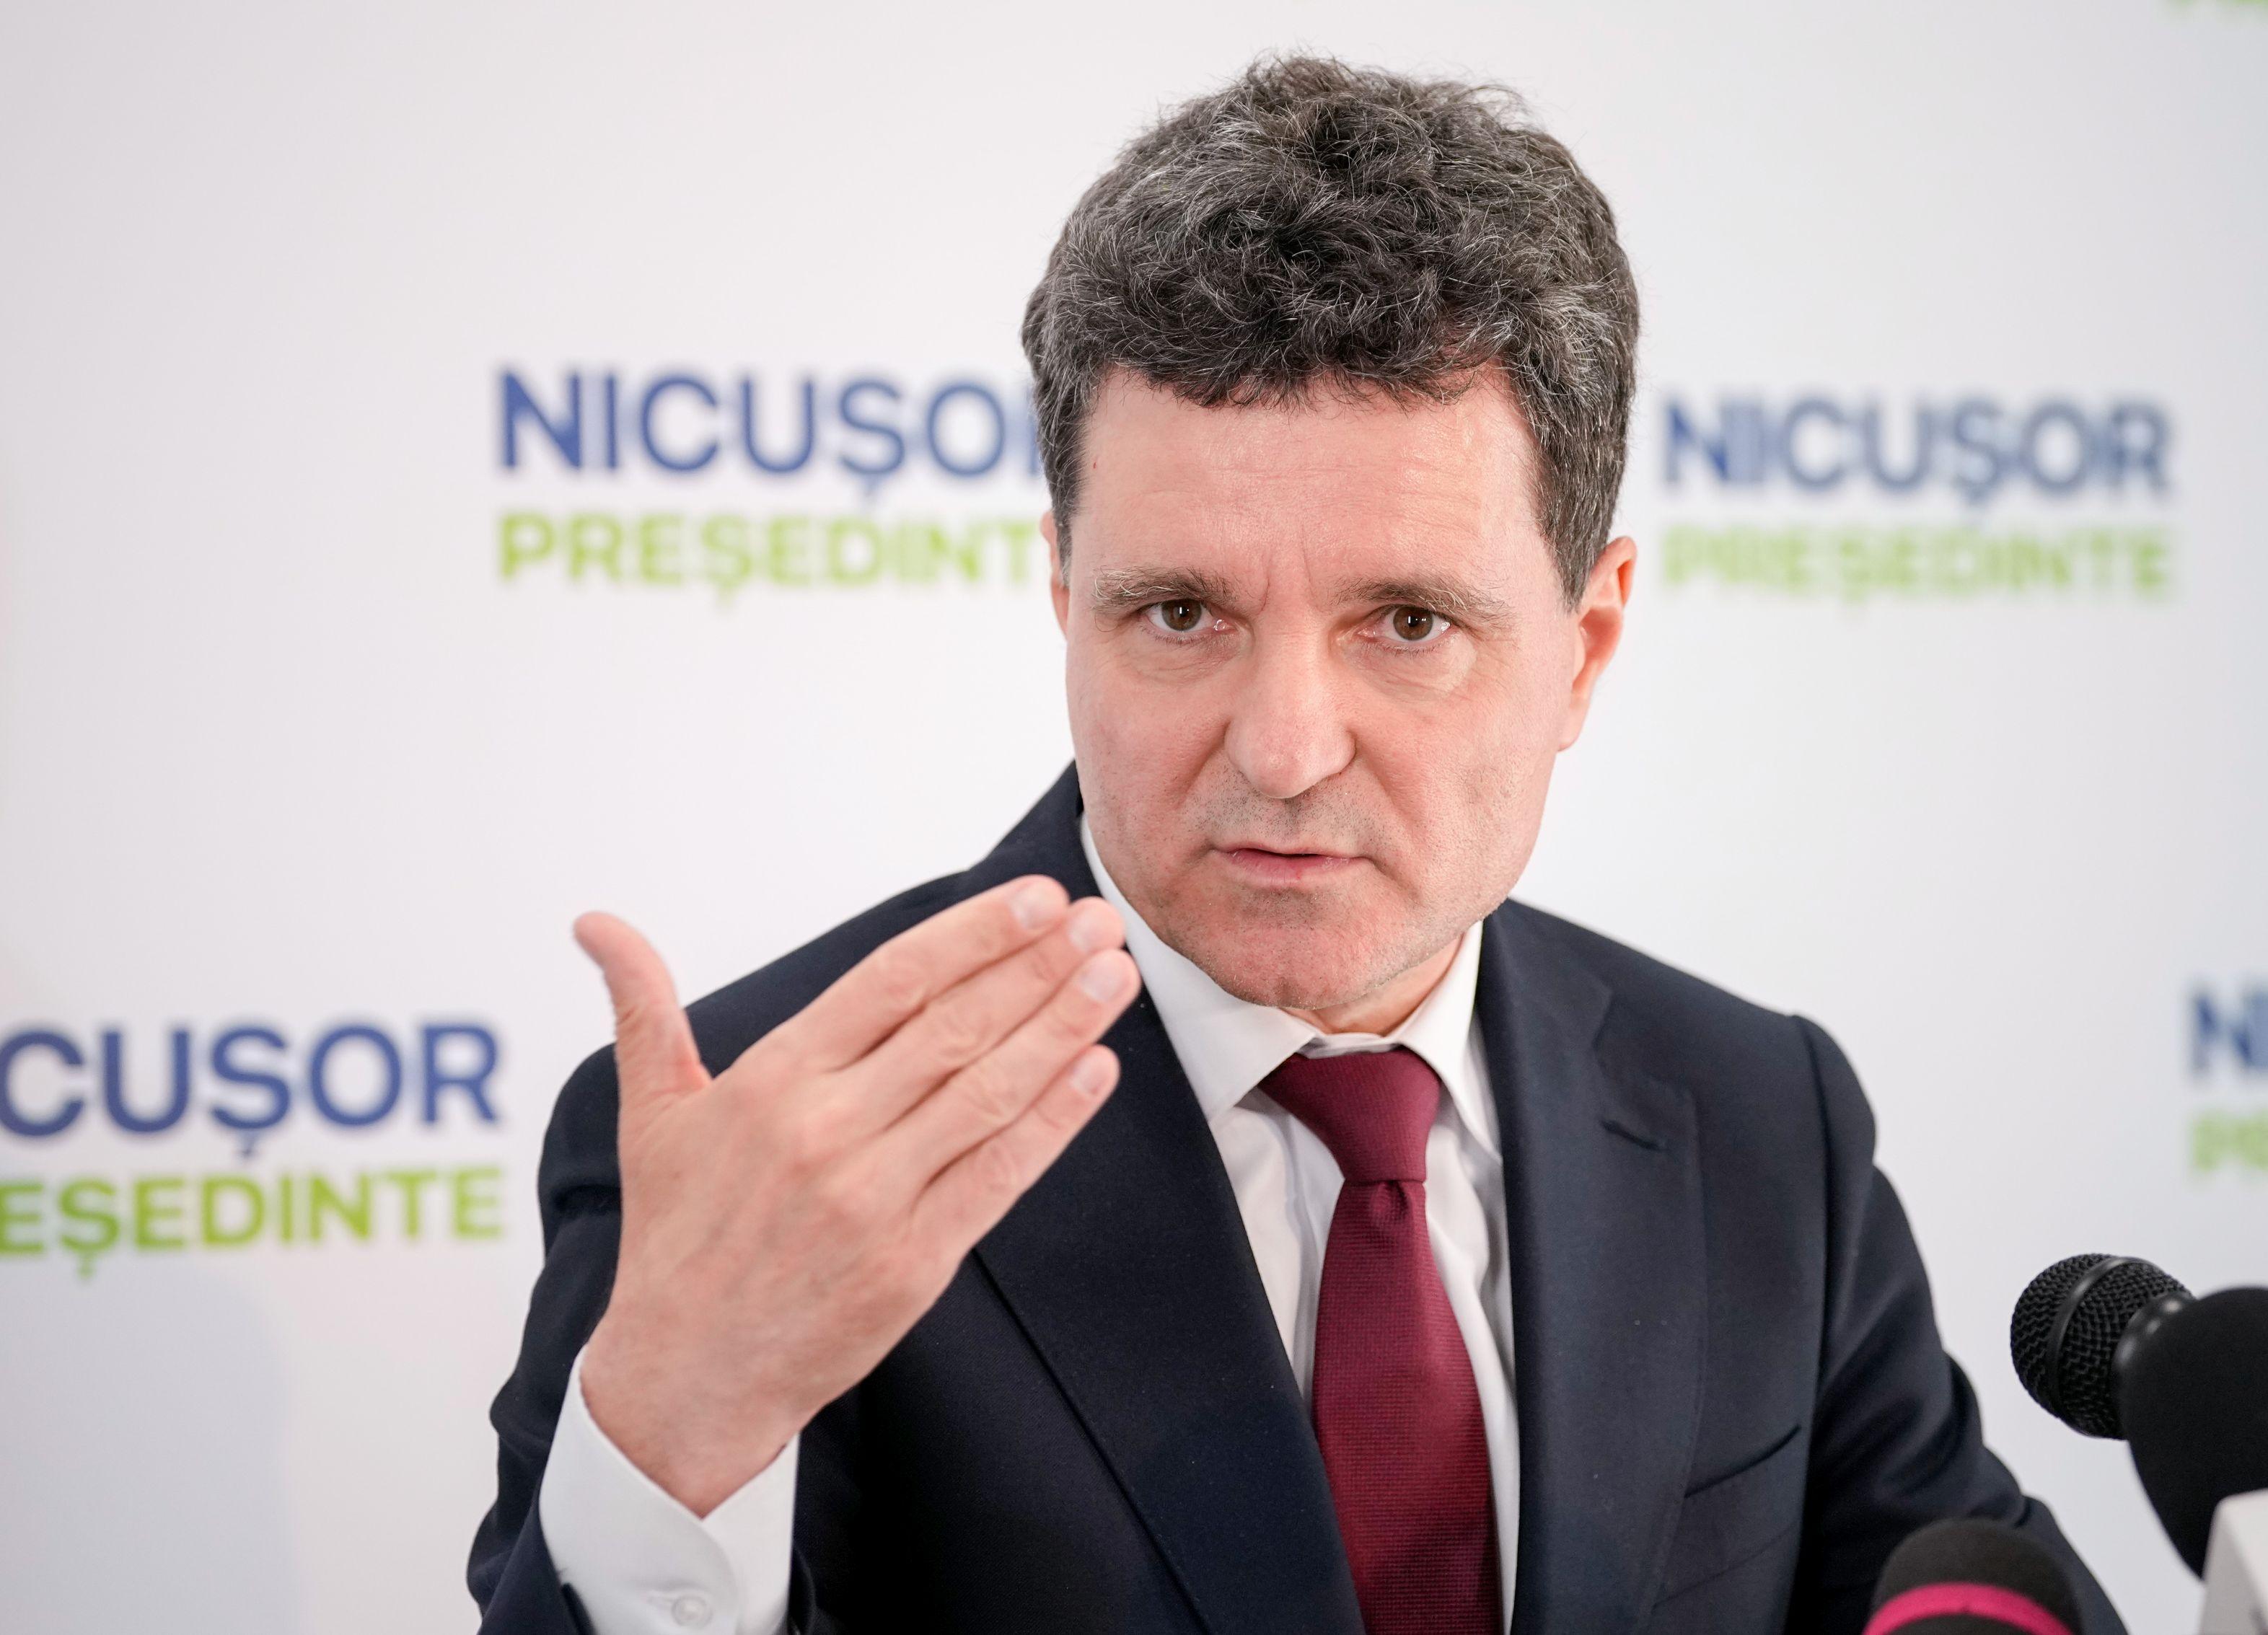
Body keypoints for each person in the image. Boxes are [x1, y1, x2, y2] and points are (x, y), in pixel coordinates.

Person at [469, 55, 2125, 1635]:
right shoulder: (769, 1135)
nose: (1280, 750)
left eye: (1406, 623)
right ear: (1064, 597)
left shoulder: (1761, 1123)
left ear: (1586, 647)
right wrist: (676, 1443)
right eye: (1180, 614)